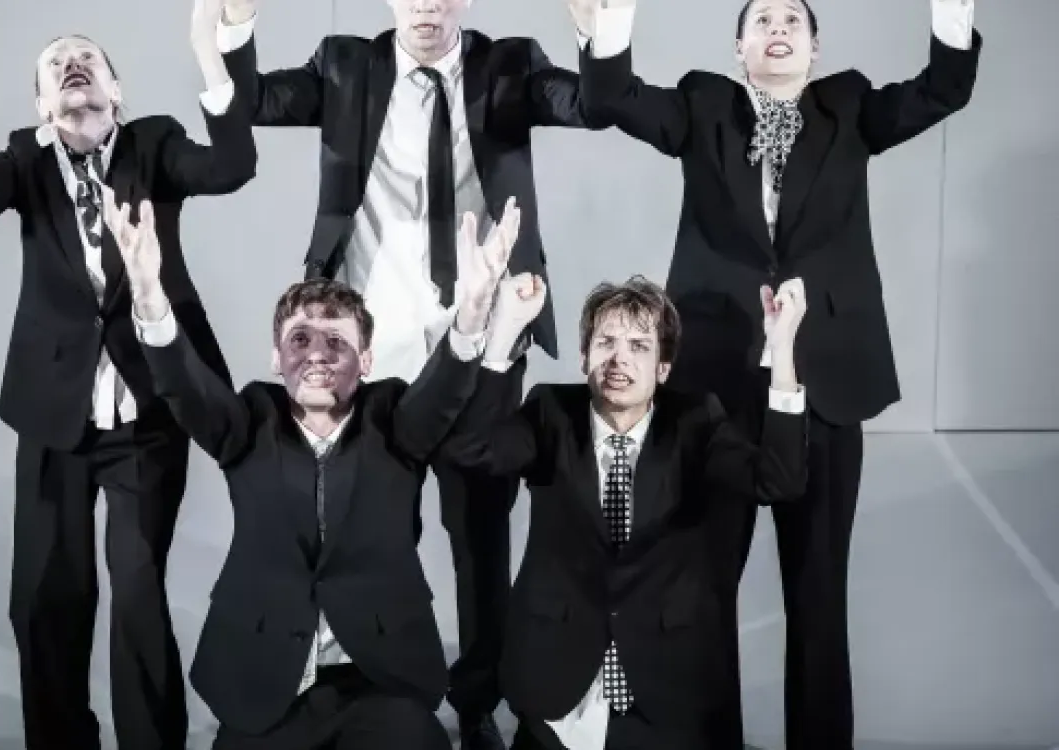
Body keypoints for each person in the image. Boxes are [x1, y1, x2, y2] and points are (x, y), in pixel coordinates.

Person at [568, 1, 981, 748]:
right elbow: (613, 98)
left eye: (793, 19)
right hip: (715, 391)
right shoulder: (701, 105)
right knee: (704, 592)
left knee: (819, 594)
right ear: (739, 49)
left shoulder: (850, 107)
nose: (778, 29)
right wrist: (612, 29)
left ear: (815, 49)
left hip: (825, 387)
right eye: (762, 21)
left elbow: (940, 91)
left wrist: (952, 22)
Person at [210, 1, 612, 745]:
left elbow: (592, 105)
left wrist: (601, 32)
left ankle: (478, 705)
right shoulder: (345, 65)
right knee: (371, 533)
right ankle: (370, 689)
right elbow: (254, 100)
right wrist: (232, 24)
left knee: (480, 537)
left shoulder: (508, 64)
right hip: (371, 351)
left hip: (479, 339)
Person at [0, 0, 257, 747]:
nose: (73, 66)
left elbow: (233, 166)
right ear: (42, 105)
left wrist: (208, 51)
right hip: (53, 416)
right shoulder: (25, 160)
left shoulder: (154, 145)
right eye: (56, 64)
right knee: (46, 599)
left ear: (116, 91)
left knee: (136, 595)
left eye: (88, 59)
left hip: (148, 416)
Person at [110, 188, 524, 750]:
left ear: (366, 361)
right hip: (266, 686)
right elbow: (185, 386)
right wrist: (149, 294)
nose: (317, 354)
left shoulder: (393, 419)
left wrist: (474, 307)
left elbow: (445, 390)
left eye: (337, 341)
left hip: (380, 682)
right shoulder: (251, 420)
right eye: (299, 340)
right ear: (276, 358)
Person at [441, 274, 809, 750]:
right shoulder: (551, 411)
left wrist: (782, 350)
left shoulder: (696, 421)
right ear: (583, 357)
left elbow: (779, 480)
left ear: (663, 368)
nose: (619, 359)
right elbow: (471, 449)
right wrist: (501, 337)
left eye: (639, 346)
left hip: (667, 698)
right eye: (606, 342)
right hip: (557, 696)